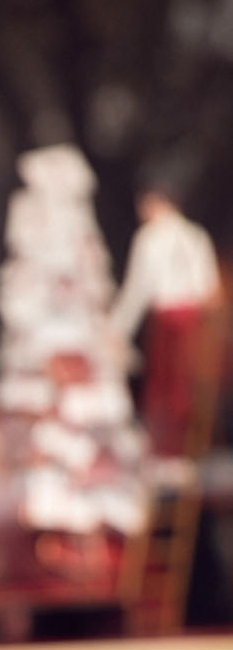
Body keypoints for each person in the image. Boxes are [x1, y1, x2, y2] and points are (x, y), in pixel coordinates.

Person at [111, 178, 224, 457]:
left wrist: (118, 327)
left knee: (167, 386)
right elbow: (208, 287)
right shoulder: (194, 235)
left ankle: (170, 449)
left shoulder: (152, 238)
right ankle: (178, 448)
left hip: (171, 318)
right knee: (181, 383)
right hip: (190, 316)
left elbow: (139, 288)